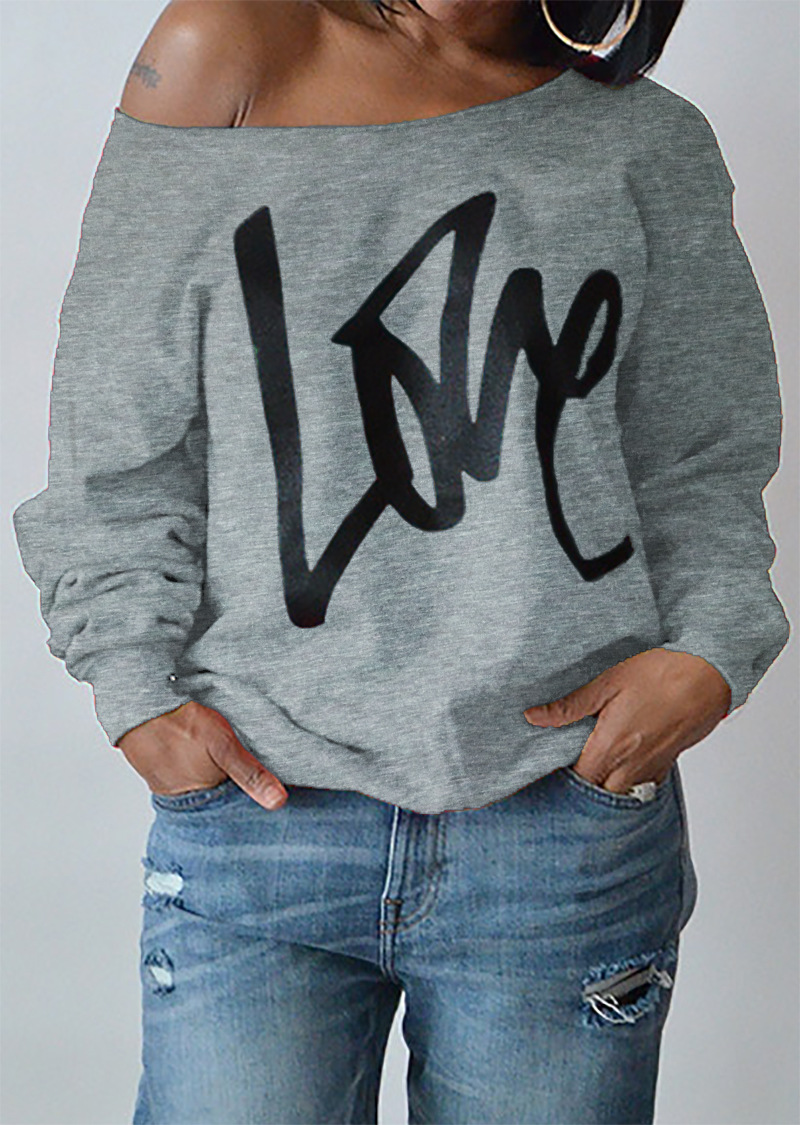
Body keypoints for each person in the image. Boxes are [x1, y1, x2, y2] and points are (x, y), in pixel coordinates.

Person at [11, 1, 790, 1121]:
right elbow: (115, 438)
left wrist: (710, 650)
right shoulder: (223, 49)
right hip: (262, 812)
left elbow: (699, 453)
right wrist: (134, 691)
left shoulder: (643, 139)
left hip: (561, 824)